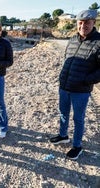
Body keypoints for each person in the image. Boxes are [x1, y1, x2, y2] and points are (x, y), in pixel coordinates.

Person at [49, 9, 100, 160]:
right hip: (64, 86)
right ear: (77, 23)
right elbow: (67, 59)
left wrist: (86, 80)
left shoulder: (98, 42)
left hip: (81, 90)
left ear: (93, 23)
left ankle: (77, 146)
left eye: (87, 23)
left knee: (78, 118)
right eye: (80, 22)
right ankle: (63, 135)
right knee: (63, 113)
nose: (83, 25)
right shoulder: (72, 39)